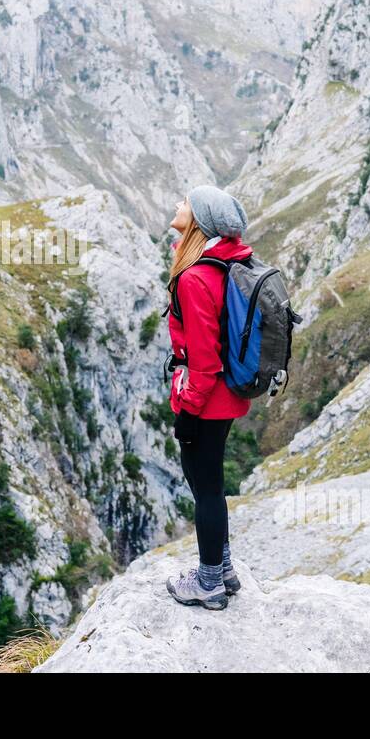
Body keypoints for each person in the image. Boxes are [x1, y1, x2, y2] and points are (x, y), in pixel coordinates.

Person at [164, 185, 252, 610]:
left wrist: (187, 413)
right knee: (209, 485)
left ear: (198, 220)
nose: (178, 205)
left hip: (206, 399)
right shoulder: (220, 264)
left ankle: (209, 584)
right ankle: (224, 569)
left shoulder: (195, 277)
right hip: (223, 399)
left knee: (206, 487)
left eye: (185, 202)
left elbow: (203, 362)